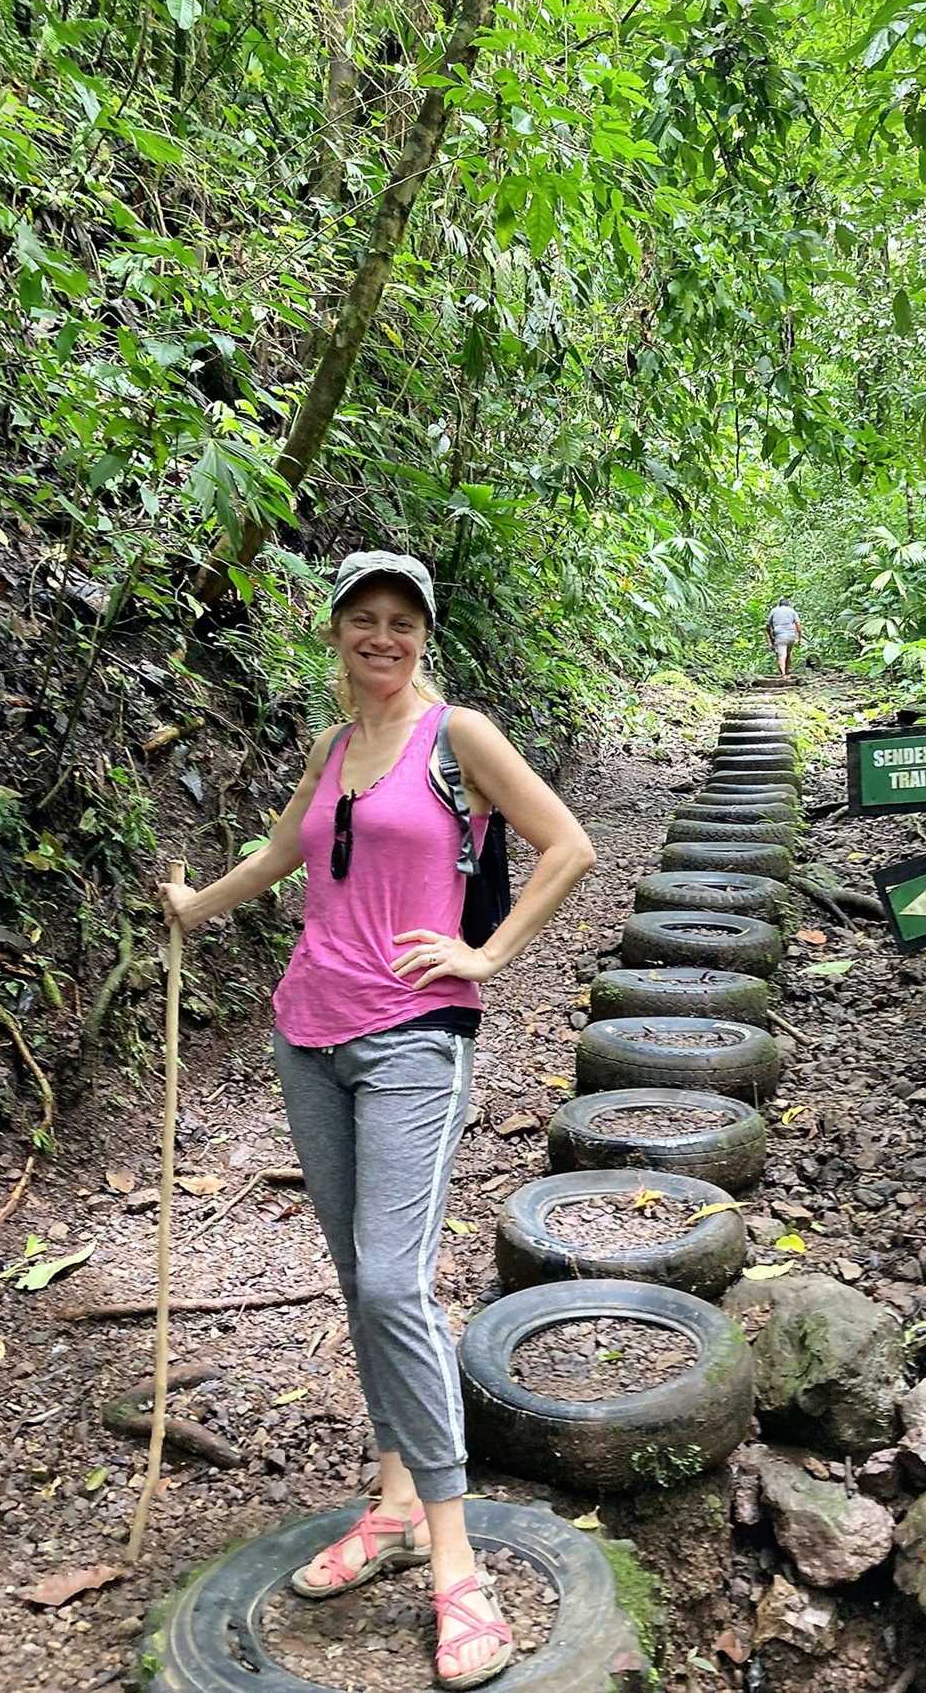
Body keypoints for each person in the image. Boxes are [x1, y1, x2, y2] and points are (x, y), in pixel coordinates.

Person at [157, 550, 596, 1690]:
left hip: (414, 1036)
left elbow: (568, 848)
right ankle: (396, 1500)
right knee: (362, 1282)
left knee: (396, 1283)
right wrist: (195, 908)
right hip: (307, 1032)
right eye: (364, 618)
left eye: (403, 620)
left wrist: (484, 953)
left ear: (423, 636)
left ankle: (456, 1560)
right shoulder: (329, 748)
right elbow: (277, 855)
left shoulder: (461, 736)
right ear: (337, 633)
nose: (383, 636)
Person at [765, 597, 802, 681]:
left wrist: (771, 639)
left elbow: (768, 626)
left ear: (779, 605)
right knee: (788, 654)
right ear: (788, 605)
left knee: (782, 655)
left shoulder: (774, 611)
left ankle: (783, 674)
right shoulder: (792, 611)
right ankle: (787, 671)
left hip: (780, 636)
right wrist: (799, 638)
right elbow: (798, 625)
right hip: (791, 636)